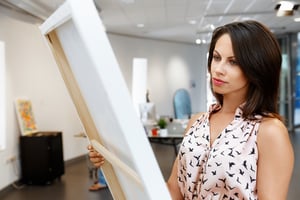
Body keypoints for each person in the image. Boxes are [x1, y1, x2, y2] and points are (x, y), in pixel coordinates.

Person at [88, 20, 294, 199]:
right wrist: (115, 161)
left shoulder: (269, 131)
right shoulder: (197, 123)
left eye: (233, 62)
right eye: (216, 57)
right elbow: (173, 191)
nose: (218, 69)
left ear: (257, 67)